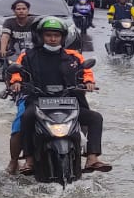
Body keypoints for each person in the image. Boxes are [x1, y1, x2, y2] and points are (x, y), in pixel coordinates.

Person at [7, 19, 112, 175]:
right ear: (41, 36)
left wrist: (89, 82)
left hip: (69, 101)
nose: (52, 39)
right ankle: (28, 159)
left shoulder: (73, 57)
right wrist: (16, 82)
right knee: (26, 117)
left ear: (63, 38)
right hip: (38, 101)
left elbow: (85, 72)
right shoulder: (28, 56)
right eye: (48, 35)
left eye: (56, 35)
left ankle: (92, 157)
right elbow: (17, 72)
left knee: (96, 118)